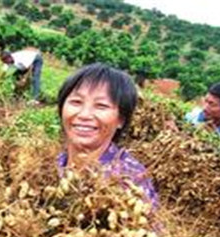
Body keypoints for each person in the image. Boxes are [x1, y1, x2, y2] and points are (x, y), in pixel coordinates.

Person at [56, 63, 158, 208]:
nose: (84, 115)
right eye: (76, 102)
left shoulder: (131, 179)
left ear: (121, 120)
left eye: (101, 106)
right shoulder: (51, 165)